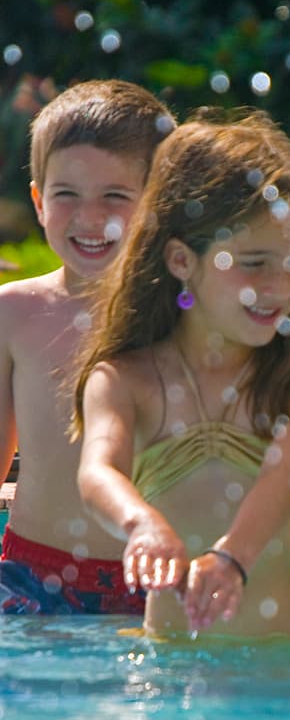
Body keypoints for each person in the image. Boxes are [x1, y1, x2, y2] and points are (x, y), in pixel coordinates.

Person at [72, 111, 290, 638]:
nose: (280, 285)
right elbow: (97, 474)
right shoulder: (126, 382)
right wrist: (142, 524)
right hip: (171, 678)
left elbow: (284, 480)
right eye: (255, 262)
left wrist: (231, 557)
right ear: (181, 260)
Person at [0, 79, 176, 615]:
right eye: (66, 195)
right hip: (30, 576)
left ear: (159, 202)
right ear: (38, 200)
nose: (89, 218)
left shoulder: (181, 320)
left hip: (157, 581)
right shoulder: (14, 313)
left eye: (115, 197)